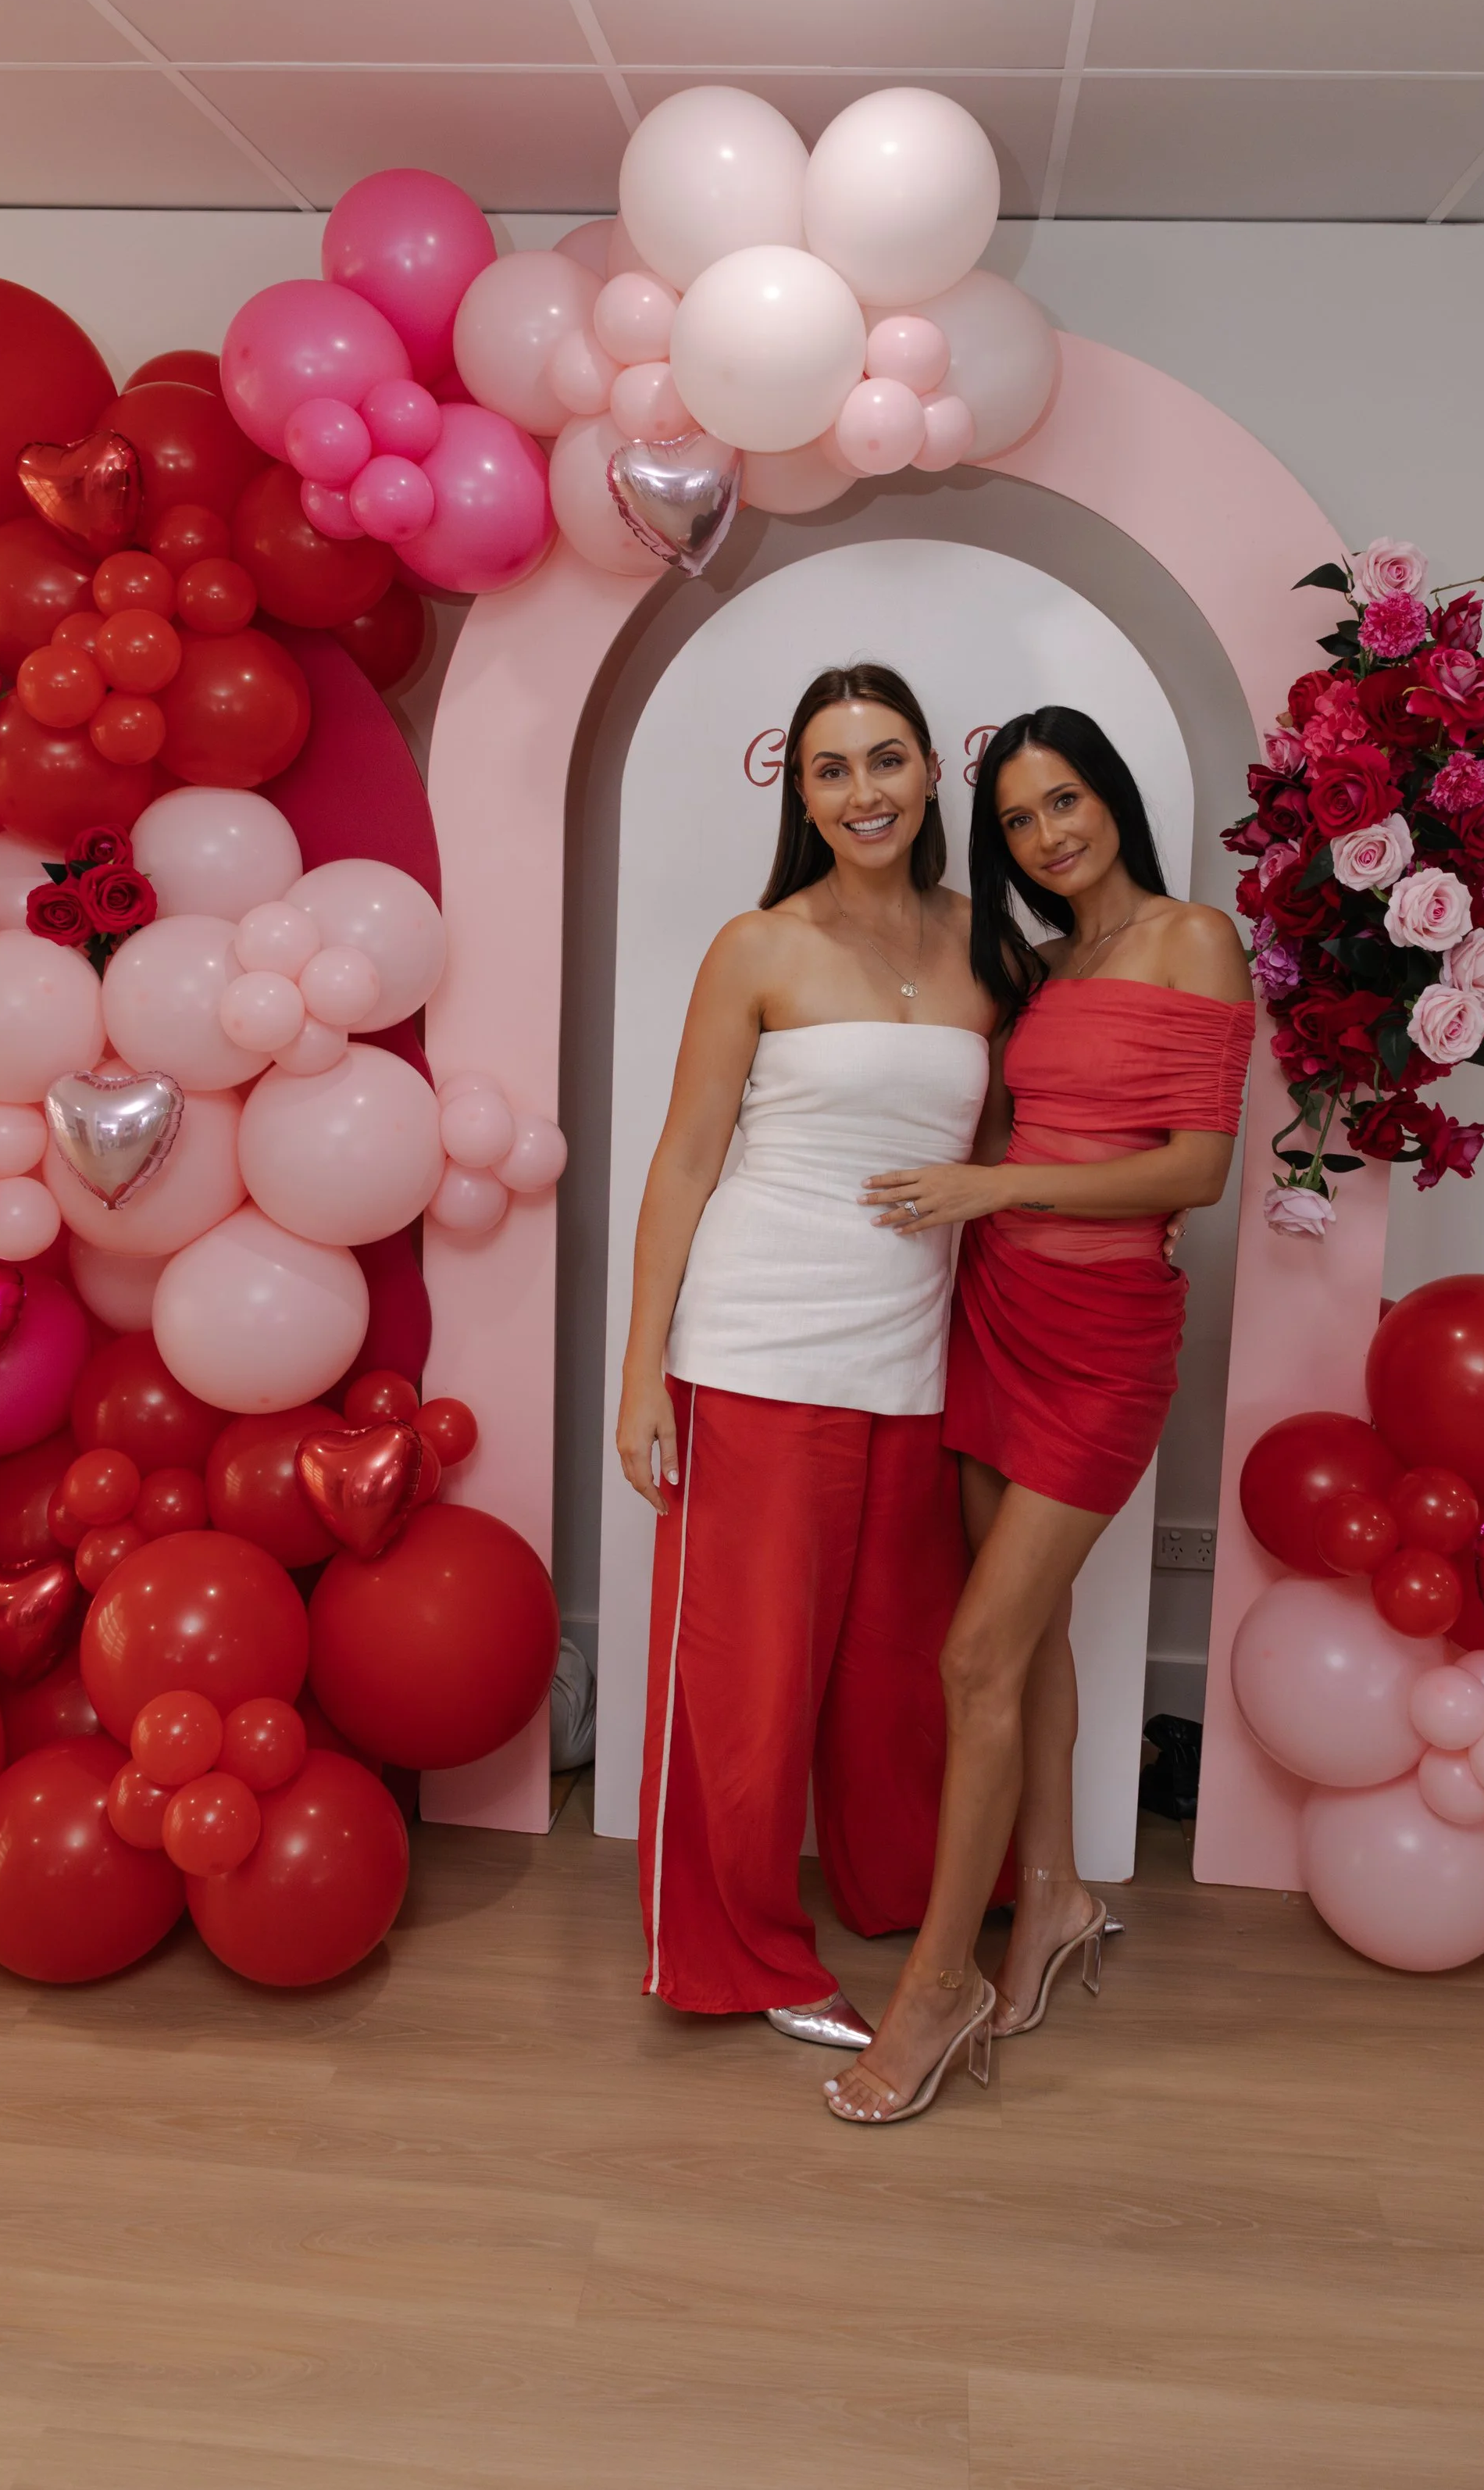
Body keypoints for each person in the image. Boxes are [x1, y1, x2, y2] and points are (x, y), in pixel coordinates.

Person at [823, 706, 1254, 2124]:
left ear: (1113, 798)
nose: (1049, 835)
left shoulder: (1195, 939)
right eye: (1018, 819)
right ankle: (1054, 1895)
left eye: (1066, 801)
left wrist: (998, 1192)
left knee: (973, 1661)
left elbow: (1192, 1173)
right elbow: (1003, 1138)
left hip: (1103, 1346)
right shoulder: (1045, 969)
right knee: (1034, 1637)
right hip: (995, 1322)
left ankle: (939, 1983)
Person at [618, 662, 995, 2045]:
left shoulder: (978, 940)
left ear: (930, 770)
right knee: (748, 1681)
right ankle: (734, 1952)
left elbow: (1004, 1147)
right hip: (758, 1346)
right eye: (831, 770)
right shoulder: (758, 945)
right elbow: (685, 1158)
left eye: (884, 759)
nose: (862, 792)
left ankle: (911, 1894)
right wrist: (640, 1364)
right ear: (801, 790)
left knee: (899, 1666)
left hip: (911, 1354)